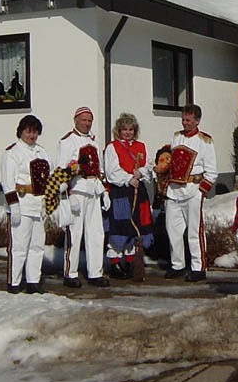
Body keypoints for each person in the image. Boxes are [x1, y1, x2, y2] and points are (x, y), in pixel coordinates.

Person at [57, 106, 109, 288]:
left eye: (89, 120)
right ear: (75, 120)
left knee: (96, 233)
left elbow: (100, 169)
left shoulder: (94, 142)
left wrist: (105, 192)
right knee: (74, 234)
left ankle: (95, 272)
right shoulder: (67, 141)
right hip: (77, 191)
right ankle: (70, 273)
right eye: (84, 120)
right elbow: (61, 171)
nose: (87, 124)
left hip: (93, 191)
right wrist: (66, 194)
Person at [164, 104, 217, 282]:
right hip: (174, 191)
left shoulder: (205, 141)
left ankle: (198, 267)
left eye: (188, 120)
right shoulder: (176, 137)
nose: (185, 123)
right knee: (173, 230)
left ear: (197, 120)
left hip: (193, 190)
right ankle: (177, 264)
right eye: (183, 119)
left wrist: (201, 191)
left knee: (194, 231)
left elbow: (211, 172)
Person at [0, 114, 50, 294]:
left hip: (38, 205)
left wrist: (50, 203)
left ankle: (33, 281)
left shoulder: (41, 152)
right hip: (22, 204)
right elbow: (7, 181)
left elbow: (47, 179)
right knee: (20, 246)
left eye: (35, 132)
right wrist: (13, 205)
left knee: (37, 246)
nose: (32, 135)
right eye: (29, 131)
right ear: (21, 131)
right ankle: (14, 282)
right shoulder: (12, 152)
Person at [103, 113, 153, 280]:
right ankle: (115, 261)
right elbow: (111, 172)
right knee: (120, 226)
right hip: (121, 191)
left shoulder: (141, 146)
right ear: (118, 130)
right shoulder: (113, 147)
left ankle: (131, 261)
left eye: (131, 129)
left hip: (138, 191)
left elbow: (148, 166)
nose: (127, 132)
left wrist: (140, 173)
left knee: (135, 227)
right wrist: (128, 179)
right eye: (124, 129)